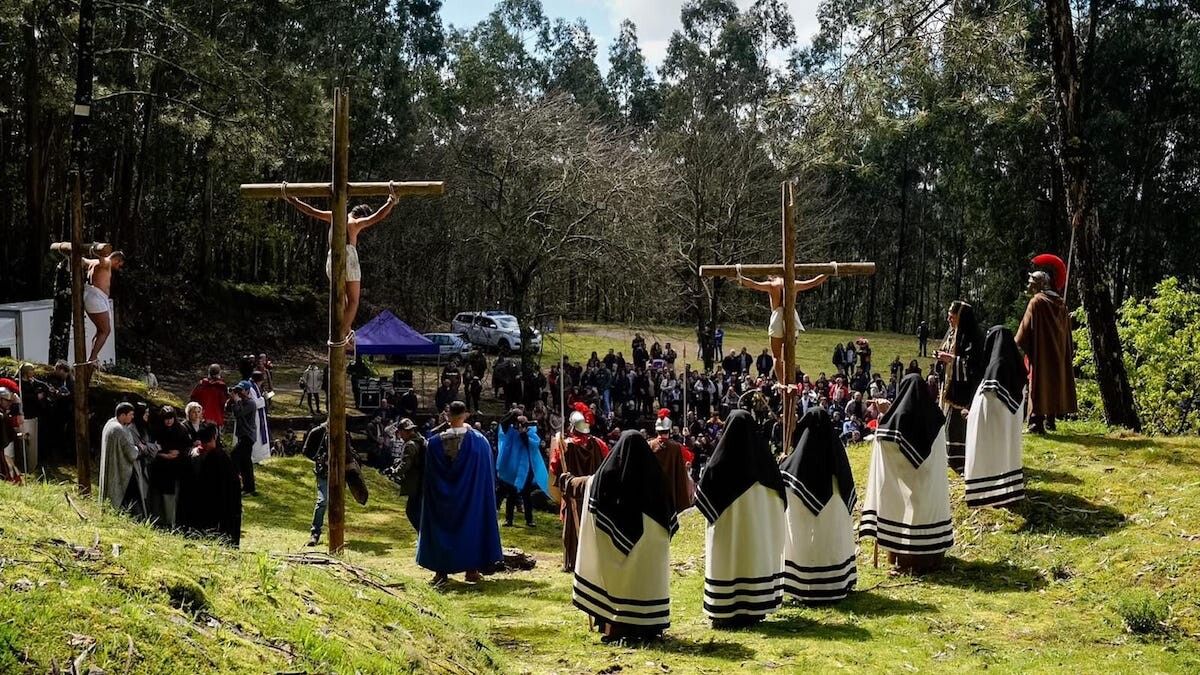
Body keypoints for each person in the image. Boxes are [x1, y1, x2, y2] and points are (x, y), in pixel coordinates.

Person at [572, 430, 676, 644]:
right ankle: (648, 626)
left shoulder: (608, 480)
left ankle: (617, 624)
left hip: (621, 552)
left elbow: (596, 488)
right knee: (645, 581)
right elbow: (671, 518)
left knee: (621, 581)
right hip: (652, 548)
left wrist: (572, 482)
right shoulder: (658, 480)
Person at [694, 409, 786, 627]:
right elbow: (781, 502)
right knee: (753, 560)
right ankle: (754, 606)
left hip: (728, 536)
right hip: (757, 538)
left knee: (729, 562)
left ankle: (725, 609)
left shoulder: (718, 466)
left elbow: (703, 497)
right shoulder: (767, 467)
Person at [860, 374, 953, 573]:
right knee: (926, 516)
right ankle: (931, 557)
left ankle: (906, 560)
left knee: (908, 516)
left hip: (909, 494)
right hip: (930, 489)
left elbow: (888, 445)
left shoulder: (899, 419)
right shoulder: (937, 418)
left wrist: (884, 415)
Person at [285, 184, 399, 342]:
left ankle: (344, 330)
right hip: (348, 256)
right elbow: (377, 217)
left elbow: (310, 211)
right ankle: (342, 333)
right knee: (353, 300)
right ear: (360, 215)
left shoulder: (334, 216)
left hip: (332, 258)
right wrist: (391, 201)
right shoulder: (355, 223)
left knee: (342, 300)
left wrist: (293, 200)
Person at [417, 401, 503, 587]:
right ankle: (471, 570)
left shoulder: (433, 444)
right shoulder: (480, 443)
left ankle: (441, 573)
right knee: (471, 527)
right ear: (466, 415)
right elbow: (486, 475)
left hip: (441, 500)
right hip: (472, 498)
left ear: (447, 416)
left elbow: (428, 475)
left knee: (442, 528)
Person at [780, 408, 857, 602]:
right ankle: (836, 580)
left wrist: (783, 462)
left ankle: (804, 583)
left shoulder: (795, 466)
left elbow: (787, 481)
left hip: (806, 547)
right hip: (832, 540)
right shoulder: (838, 459)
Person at [965, 326, 1028, 509]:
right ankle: (1008, 490)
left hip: (992, 425)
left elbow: (990, 401)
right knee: (1007, 453)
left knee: (992, 456)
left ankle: (993, 492)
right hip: (1009, 424)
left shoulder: (995, 367)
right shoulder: (1016, 366)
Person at [730, 270, 829, 384]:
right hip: (791, 317)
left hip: (777, 316)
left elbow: (753, 284)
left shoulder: (772, 285)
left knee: (776, 356)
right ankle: (789, 381)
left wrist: (739, 276)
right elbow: (813, 282)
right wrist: (827, 272)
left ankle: (783, 383)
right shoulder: (794, 283)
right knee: (789, 354)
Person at [1016, 255, 1078, 434]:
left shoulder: (1037, 302)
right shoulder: (1062, 304)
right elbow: (1066, 333)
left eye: (1032, 283)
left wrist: (1015, 345)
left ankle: (1036, 423)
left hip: (1041, 353)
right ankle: (1050, 420)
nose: (1029, 286)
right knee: (1053, 383)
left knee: (1036, 384)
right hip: (1057, 353)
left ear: (1041, 284)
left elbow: (1025, 330)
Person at [549, 403, 609, 573]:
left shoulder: (565, 445)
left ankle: (573, 562)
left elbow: (555, 468)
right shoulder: (599, 444)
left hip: (573, 492)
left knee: (571, 529)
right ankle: (593, 561)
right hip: (593, 493)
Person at [49, 243, 124, 366]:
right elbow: (103, 260)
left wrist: (71, 253)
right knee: (106, 330)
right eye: (120, 264)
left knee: (101, 330)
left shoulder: (92, 263)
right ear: (117, 259)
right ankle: (92, 359)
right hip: (96, 297)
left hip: (93, 296)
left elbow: (82, 260)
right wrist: (96, 250)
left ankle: (93, 357)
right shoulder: (107, 262)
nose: (119, 267)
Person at [936, 300, 984, 474]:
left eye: (952, 314)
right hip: (949, 385)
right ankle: (950, 456)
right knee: (948, 422)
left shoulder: (974, 336)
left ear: (961, 316)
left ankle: (961, 459)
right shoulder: (952, 333)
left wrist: (950, 359)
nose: (949, 317)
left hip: (964, 390)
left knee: (957, 425)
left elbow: (974, 365)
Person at [176, 421, 242, 546]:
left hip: (196, 506)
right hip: (217, 508)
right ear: (214, 437)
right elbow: (232, 486)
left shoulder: (191, 454)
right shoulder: (219, 457)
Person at [496, 408, 549, 527]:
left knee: (526, 495)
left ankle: (529, 520)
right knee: (511, 495)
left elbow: (534, 444)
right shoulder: (510, 430)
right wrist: (512, 414)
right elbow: (502, 423)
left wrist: (523, 433)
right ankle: (509, 519)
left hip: (526, 469)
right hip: (512, 469)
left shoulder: (530, 431)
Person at [99, 402, 148, 515]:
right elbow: (132, 454)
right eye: (130, 414)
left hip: (113, 465)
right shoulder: (120, 430)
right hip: (121, 470)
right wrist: (139, 448)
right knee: (129, 498)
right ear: (122, 415)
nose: (132, 417)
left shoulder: (109, 424)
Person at [148, 406, 189, 527]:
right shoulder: (157, 429)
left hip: (174, 469)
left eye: (171, 418)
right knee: (157, 497)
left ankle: (170, 522)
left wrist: (178, 453)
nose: (169, 421)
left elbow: (186, 446)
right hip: (159, 467)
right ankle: (157, 521)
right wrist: (163, 455)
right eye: (166, 418)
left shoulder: (181, 430)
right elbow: (153, 447)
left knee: (170, 498)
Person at [649, 410, 693, 514]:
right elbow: (689, 455)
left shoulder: (649, 445)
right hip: (671, 493)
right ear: (669, 430)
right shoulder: (676, 447)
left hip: (654, 493)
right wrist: (687, 437)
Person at [388, 418, 425, 533]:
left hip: (416, 483)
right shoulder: (421, 441)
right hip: (423, 482)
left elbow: (406, 465)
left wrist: (393, 472)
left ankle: (423, 536)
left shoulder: (410, 445)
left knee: (412, 512)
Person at [17, 364, 48, 472]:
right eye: (31, 370)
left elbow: (43, 386)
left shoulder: (33, 381)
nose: (33, 371)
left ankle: (34, 462)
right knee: (26, 439)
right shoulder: (20, 383)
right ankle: (26, 464)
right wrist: (36, 397)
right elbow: (22, 397)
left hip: (34, 415)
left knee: (34, 441)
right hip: (25, 415)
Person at [229, 382, 258, 496]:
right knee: (245, 462)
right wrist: (231, 399)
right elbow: (228, 408)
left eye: (241, 391)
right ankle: (248, 487)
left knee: (235, 455)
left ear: (247, 391)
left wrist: (236, 401)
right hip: (243, 435)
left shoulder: (251, 403)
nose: (239, 393)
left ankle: (244, 484)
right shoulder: (241, 402)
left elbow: (238, 413)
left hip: (248, 436)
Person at [248, 371, 271, 464]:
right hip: (255, 415)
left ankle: (258, 457)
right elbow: (254, 403)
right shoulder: (251, 388)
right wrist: (263, 398)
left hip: (258, 415)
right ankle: (254, 458)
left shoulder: (255, 387)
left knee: (259, 436)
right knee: (256, 436)